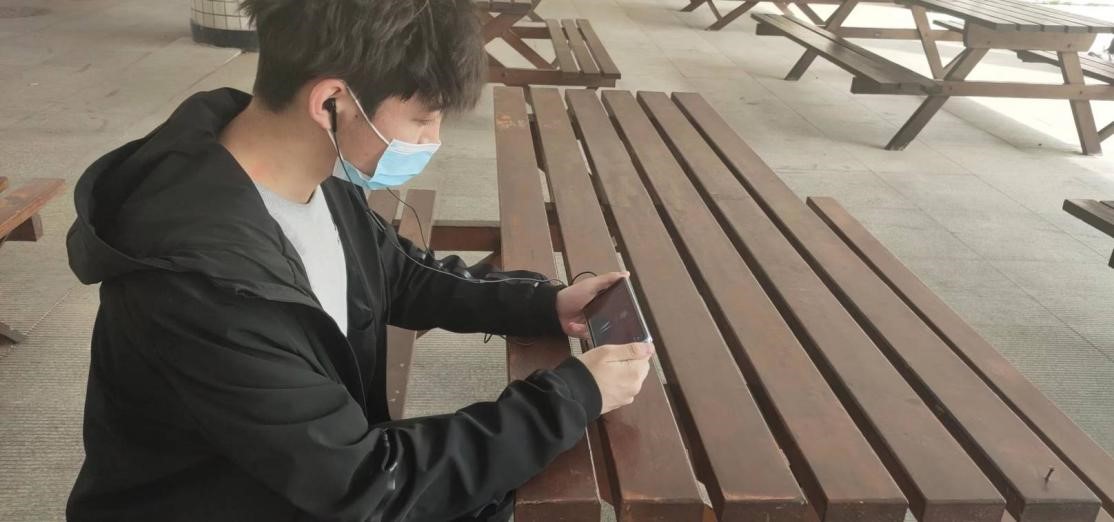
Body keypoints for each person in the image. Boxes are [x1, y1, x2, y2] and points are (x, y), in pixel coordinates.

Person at [63, 0, 654, 520]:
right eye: (423, 117)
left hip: (300, 470)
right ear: (331, 102)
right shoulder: (206, 289)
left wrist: (540, 303)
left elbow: (397, 273)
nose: (433, 140)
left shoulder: (311, 173)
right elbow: (365, 483)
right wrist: (573, 396)